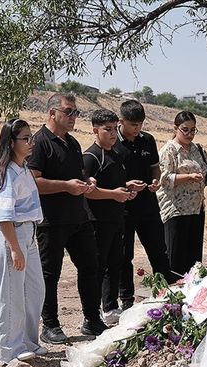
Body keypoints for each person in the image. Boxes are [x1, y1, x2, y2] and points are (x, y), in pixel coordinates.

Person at [28, 93, 109, 345]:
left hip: (78, 217)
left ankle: (91, 319)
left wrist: (88, 181)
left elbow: (79, 174)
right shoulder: (39, 142)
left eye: (76, 112)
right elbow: (33, 181)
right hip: (51, 221)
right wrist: (65, 186)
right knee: (50, 274)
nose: (74, 117)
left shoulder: (73, 143)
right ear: (52, 113)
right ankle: (50, 325)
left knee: (90, 267)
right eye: (69, 112)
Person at [0, 118, 47, 362]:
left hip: (27, 233)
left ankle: (29, 341)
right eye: (25, 138)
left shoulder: (23, 168)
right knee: (11, 294)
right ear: (11, 143)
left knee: (35, 290)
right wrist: (14, 248)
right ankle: (10, 350)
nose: (31, 142)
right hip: (11, 235)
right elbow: (3, 216)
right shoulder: (5, 174)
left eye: (31, 137)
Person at [112, 99, 175, 311]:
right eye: (132, 125)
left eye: (140, 124)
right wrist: (125, 185)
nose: (137, 129)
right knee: (124, 256)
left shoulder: (147, 140)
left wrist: (155, 181)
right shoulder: (113, 142)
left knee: (158, 250)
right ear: (121, 122)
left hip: (148, 205)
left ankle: (166, 291)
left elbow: (154, 167)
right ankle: (127, 300)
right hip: (124, 208)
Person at [83, 109, 137, 324]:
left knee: (116, 263)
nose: (113, 134)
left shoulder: (117, 154)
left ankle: (111, 306)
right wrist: (114, 194)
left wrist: (127, 189)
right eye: (108, 129)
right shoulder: (90, 157)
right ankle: (92, 313)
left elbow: (115, 186)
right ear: (95, 130)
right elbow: (89, 191)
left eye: (115, 129)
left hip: (117, 218)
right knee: (98, 266)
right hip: (97, 220)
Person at [156, 111, 207, 275]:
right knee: (176, 259)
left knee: (193, 260)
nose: (189, 134)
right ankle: (173, 294)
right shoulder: (169, 151)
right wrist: (187, 177)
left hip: (196, 209)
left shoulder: (198, 149)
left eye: (193, 130)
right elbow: (163, 179)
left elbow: (206, 175)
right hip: (176, 210)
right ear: (175, 128)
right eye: (185, 129)